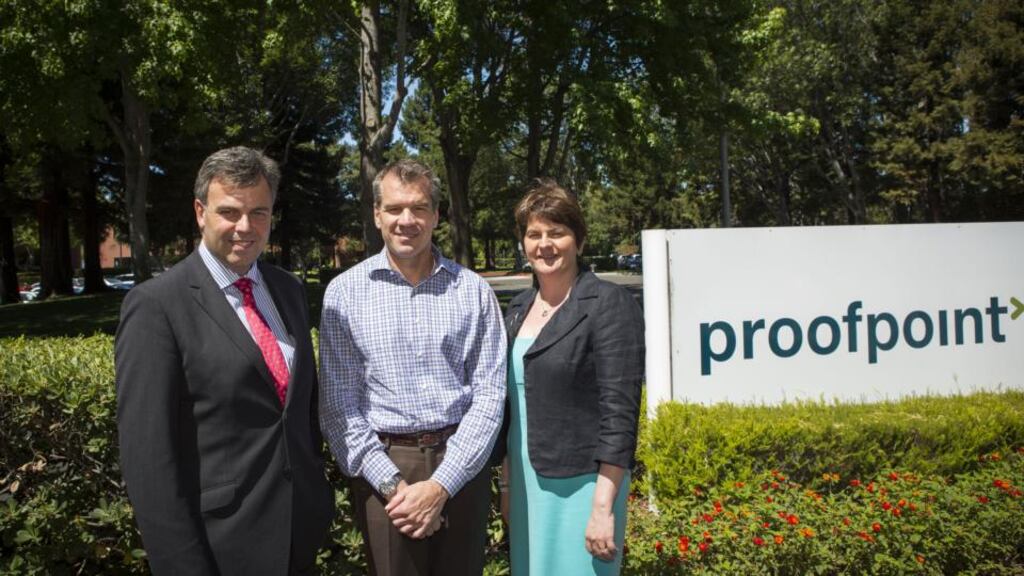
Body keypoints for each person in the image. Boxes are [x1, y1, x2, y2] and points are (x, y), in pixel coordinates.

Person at [115, 146, 335, 576]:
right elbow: (148, 461)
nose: (245, 227)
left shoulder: (287, 290)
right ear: (200, 212)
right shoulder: (156, 306)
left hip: (298, 534)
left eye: (259, 212)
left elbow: (298, 410)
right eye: (229, 212)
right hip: (218, 547)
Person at [319, 158, 506, 576]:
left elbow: (490, 395)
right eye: (395, 208)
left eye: (419, 208)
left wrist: (442, 485)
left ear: (436, 215)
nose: (407, 220)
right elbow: (339, 408)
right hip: (384, 470)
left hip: (462, 466)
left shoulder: (473, 292)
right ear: (377, 214)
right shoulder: (344, 294)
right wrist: (395, 487)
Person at [496, 180, 644, 576]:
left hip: (582, 486)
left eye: (557, 233)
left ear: (578, 240)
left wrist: (602, 508)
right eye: (534, 234)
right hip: (528, 486)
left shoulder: (609, 304)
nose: (545, 244)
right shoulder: (519, 306)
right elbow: (511, 407)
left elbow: (620, 416)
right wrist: (508, 486)